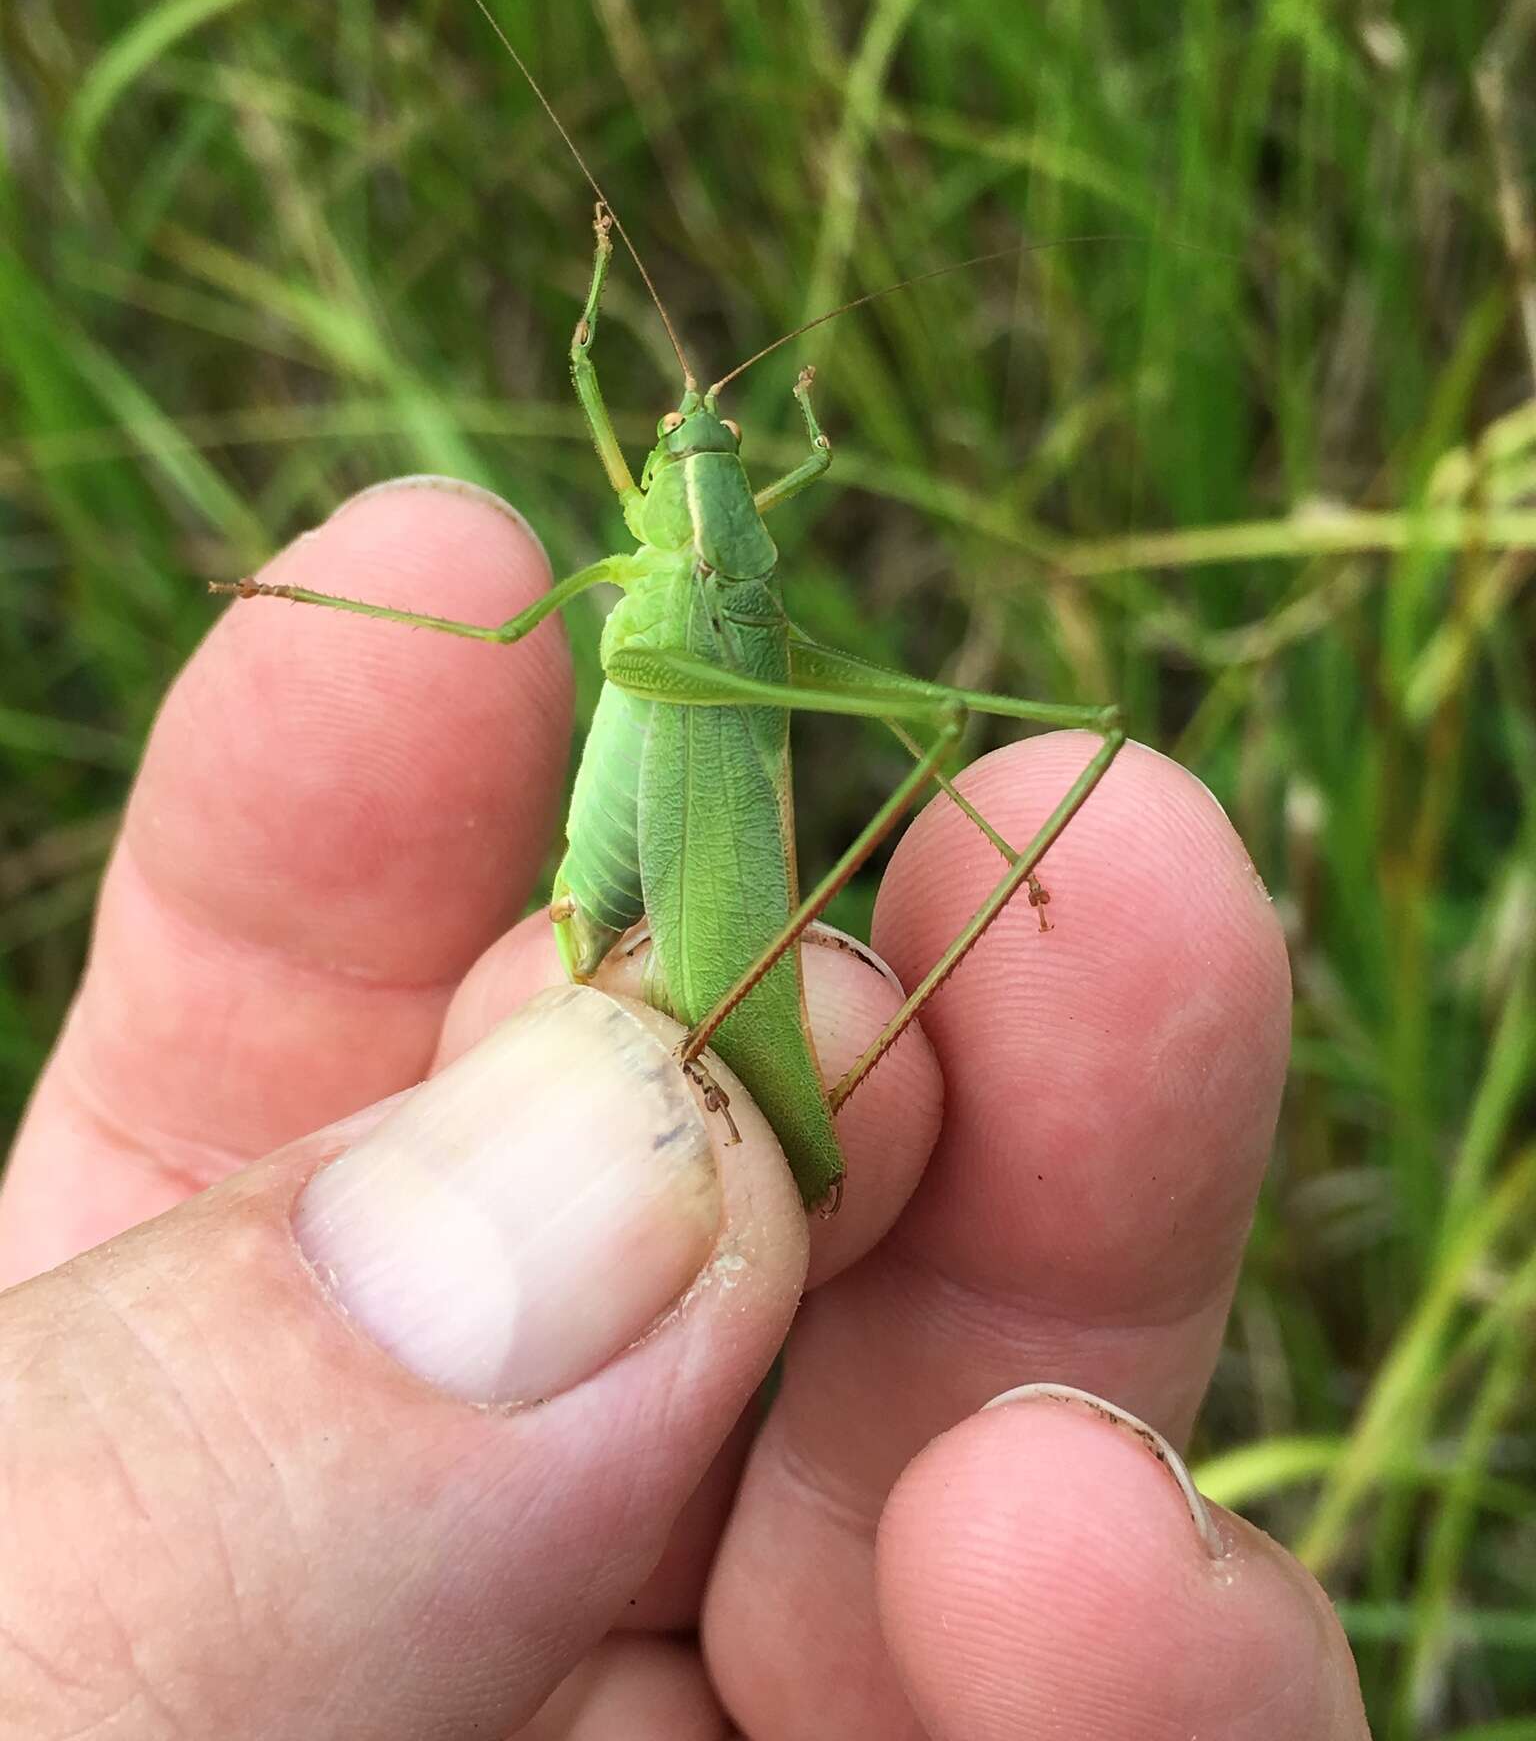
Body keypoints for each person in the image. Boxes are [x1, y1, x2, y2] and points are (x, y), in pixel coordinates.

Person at [0, 478, 1369, 1738]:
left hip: (673, 837)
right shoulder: (713, 545)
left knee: (923, 727)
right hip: (654, 811)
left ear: (687, 497)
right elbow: (715, 450)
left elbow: (509, 634)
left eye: (681, 448)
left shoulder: (690, 575)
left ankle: (826, 990)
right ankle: (828, 990)